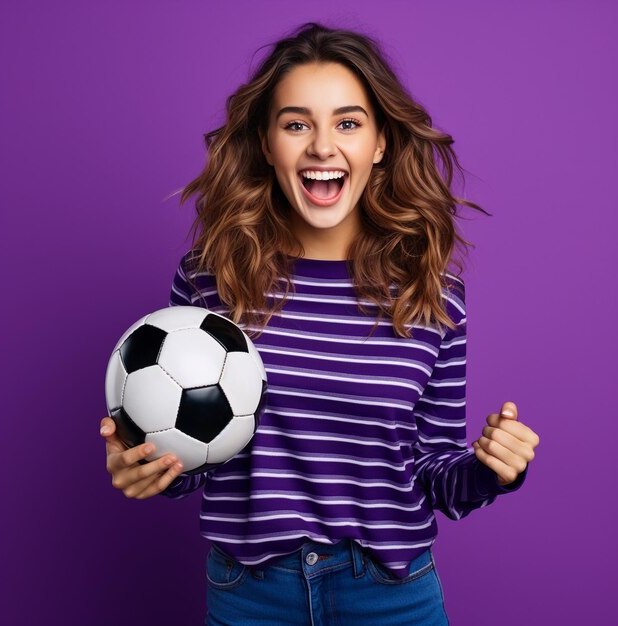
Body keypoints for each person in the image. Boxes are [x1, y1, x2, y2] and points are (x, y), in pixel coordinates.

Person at [100, 22, 540, 626]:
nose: (322, 147)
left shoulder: (432, 294)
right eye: (297, 123)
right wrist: (145, 465)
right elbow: (194, 456)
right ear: (267, 142)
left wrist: (492, 470)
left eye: (348, 123)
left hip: (390, 594)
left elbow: (435, 473)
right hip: (250, 593)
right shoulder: (210, 280)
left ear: (380, 143)